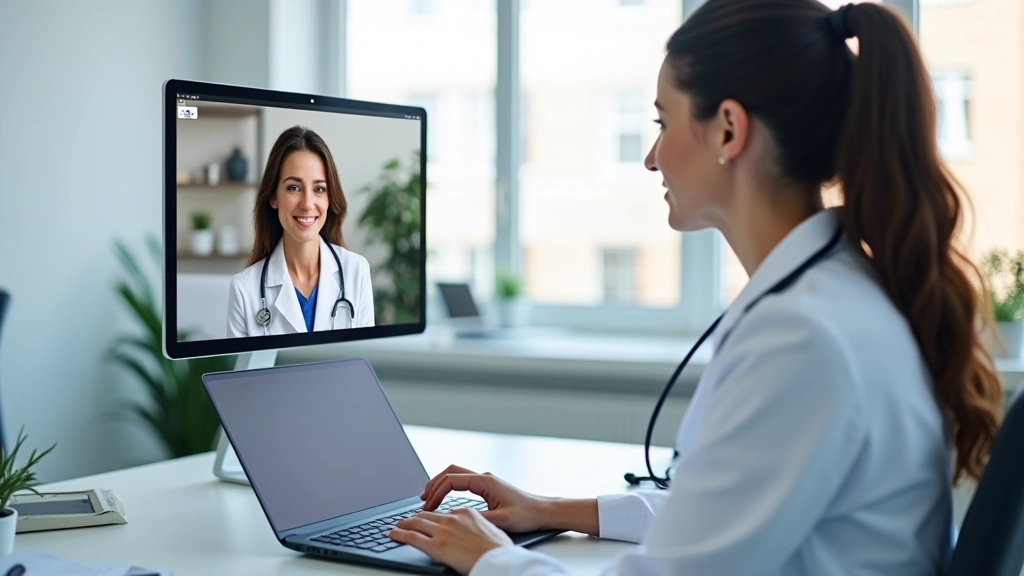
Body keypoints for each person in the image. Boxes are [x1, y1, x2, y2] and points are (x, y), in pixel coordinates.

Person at [385, 1, 1005, 574]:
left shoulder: (802, 336)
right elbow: (732, 510)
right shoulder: (839, 293)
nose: (651, 158)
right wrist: (546, 508)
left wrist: (491, 559)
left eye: (663, 122)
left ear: (729, 130)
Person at [227, 125, 374, 336]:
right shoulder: (244, 290)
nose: (307, 203)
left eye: (319, 189)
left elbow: (364, 361)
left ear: (329, 198)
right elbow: (241, 369)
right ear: (273, 197)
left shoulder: (356, 271)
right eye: (294, 188)